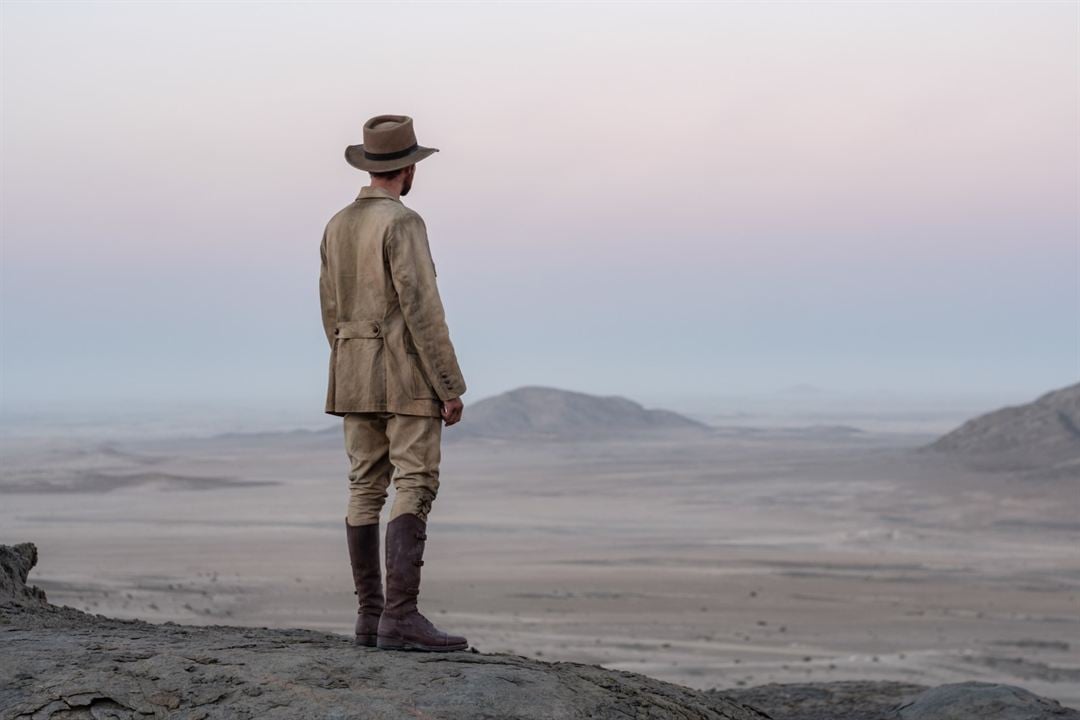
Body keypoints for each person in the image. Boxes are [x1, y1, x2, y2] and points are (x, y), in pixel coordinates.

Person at [318, 114, 468, 652]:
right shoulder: (404, 223)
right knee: (415, 483)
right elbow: (422, 308)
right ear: (406, 168)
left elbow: (329, 308)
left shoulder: (337, 224)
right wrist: (448, 384)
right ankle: (400, 618)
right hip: (405, 374)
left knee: (363, 486)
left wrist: (348, 358)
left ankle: (370, 618)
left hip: (352, 371)